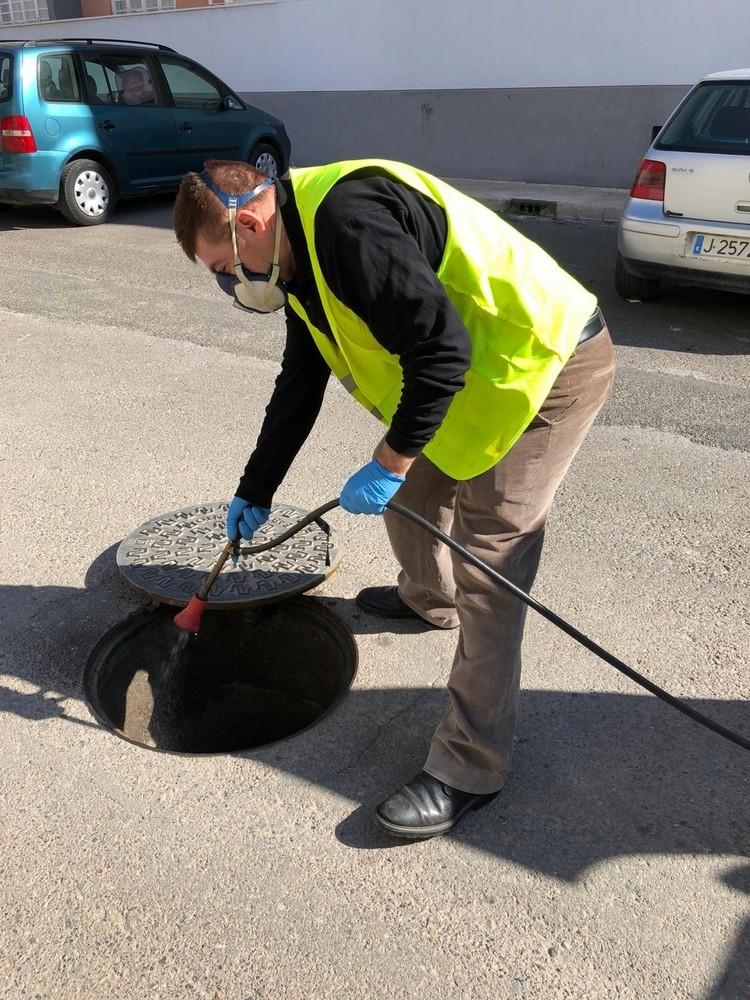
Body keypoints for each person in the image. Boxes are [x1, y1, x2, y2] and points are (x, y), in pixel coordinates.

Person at [173, 158, 615, 839]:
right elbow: (301, 377)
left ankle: (471, 766)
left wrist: (388, 461)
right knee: (418, 494)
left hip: (544, 365)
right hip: (474, 376)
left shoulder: (347, 226)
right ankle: (427, 599)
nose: (229, 282)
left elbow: (440, 352)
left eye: (223, 266)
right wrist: (255, 486)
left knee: (490, 560)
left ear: (252, 222)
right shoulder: (297, 259)